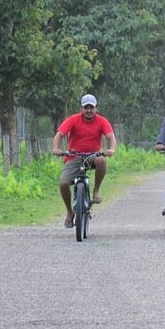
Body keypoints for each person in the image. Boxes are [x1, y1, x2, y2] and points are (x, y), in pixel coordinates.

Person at [52, 94, 116, 228]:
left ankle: (96, 190)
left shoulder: (101, 121)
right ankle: (70, 212)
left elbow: (111, 137)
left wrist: (111, 149)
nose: (89, 111)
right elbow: (60, 134)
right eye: (86, 107)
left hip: (92, 155)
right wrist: (56, 148)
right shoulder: (73, 119)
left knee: (101, 161)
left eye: (91, 107)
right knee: (63, 183)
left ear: (96, 108)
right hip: (74, 156)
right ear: (81, 109)